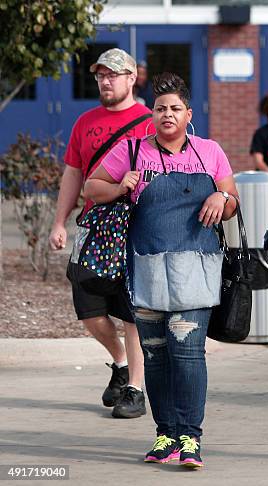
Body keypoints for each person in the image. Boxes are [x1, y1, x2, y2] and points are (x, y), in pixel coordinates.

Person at [84, 72, 238, 469]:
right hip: (147, 269)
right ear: (152, 114)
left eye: (174, 109)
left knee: (187, 356)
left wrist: (221, 196)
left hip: (196, 271)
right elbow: (91, 188)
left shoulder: (209, 151)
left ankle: (191, 438)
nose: (166, 114)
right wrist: (121, 185)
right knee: (154, 357)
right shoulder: (132, 150)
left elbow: (233, 200)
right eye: (159, 109)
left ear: (189, 114)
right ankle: (165, 434)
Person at [49, 48, 149, 419]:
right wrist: (59, 222)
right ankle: (120, 364)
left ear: (131, 78)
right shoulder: (85, 122)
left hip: (134, 229)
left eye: (113, 75)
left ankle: (136, 390)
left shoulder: (150, 121)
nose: (106, 81)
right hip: (94, 226)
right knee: (89, 309)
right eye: (100, 75)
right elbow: (73, 173)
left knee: (133, 312)